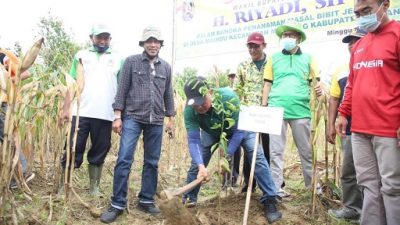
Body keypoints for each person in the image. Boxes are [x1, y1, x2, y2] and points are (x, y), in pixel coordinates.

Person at [100, 26, 175, 224]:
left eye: (156, 41)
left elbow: (168, 94)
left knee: (152, 161)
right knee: (124, 158)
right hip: (133, 116)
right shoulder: (131, 62)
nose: (153, 45)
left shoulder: (166, 67)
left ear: (160, 44)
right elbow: (122, 89)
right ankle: (117, 203)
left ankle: (146, 199)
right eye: (149, 41)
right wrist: (118, 116)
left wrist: (171, 119)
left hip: (156, 120)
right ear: (143, 44)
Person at [182, 76, 282, 223]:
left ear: (209, 92)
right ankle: (189, 200)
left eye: (202, 102)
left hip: (240, 129)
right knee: (196, 163)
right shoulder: (189, 110)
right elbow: (194, 140)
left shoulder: (227, 98)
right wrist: (200, 165)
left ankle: (270, 199)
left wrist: (227, 156)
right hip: (211, 132)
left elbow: (238, 132)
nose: (199, 107)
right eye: (195, 105)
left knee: (256, 155)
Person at [336, 1, 400, 224]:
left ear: (385, 5)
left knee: (392, 186)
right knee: (368, 184)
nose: (362, 16)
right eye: (357, 13)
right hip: (360, 129)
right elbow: (352, 84)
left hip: (389, 129)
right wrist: (343, 113)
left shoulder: (397, 34)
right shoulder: (360, 45)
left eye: (367, 10)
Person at [59, 24, 123, 197]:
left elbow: (122, 89)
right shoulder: (80, 55)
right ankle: (63, 185)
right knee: (73, 147)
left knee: (100, 150)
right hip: (79, 113)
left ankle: (94, 187)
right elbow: (71, 84)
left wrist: (119, 116)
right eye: (99, 37)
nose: (102, 41)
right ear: (91, 38)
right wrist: (66, 108)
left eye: (106, 38)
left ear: (110, 40)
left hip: (105, 114)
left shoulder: (118, 59)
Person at [261, 22, 322, 198]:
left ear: (298, 39)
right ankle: (275, 188)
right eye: (285, 35)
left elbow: (316, 83)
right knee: (275, 152)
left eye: (291, 35)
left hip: (301, 110)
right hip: (275, 109)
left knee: (306, 151)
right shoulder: (273, 58)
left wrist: (320, 93)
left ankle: (313, 188)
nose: (287, 38)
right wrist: (265, 107)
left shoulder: (309, 58)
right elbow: (267, 84)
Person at [326, 27, 365, 223]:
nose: (352, 45)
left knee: (374, 174)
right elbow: (334, 98)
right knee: (349, 171)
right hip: (349, 129)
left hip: (375, 126)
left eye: (356, 40)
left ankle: (374, 212)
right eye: (349, 42)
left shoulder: (374, 63)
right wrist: (331, 125)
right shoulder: (341, 69)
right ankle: (352, 208)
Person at [236, 32, 272, 193]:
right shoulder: (243, 66)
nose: (252, 50)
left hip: (268, 113)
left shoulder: (272, 64)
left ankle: (267, 183)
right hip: (248, 114)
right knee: (250, 148)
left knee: (267, 147)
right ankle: (248, 183)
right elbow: (238, 89)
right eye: (250, 46)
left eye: (256, 46)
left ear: (264, 45)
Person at [0, 48, 35, 189]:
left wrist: (5, 83)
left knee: (7, 137)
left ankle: (24, 172)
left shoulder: (2, 55)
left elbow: (25, 73)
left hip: (4, 103)